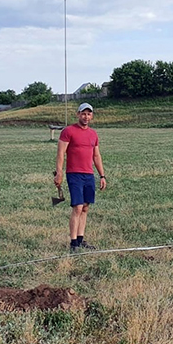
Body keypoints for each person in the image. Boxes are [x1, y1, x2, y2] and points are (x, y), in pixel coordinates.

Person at [54, 102, 107, 252]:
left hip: (89, 175)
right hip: (74, 174)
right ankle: (73, 244)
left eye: (89, 114)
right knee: (77, 207)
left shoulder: (93, 134)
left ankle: (81, 239)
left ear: (92, 116)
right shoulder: (68, 131)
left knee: (85, 207)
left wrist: (102, 175)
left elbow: (96, 156)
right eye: (83, 113)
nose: (86, 117)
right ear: (78, 114)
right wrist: (59, 172)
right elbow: (60, 154)